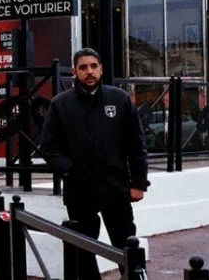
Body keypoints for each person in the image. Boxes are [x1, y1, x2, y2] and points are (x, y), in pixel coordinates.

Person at [40, 48, 150, 279]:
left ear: (101, 69)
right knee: (83, 252)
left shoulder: (119, 99)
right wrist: (70, 172)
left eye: (93, 66)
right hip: (80, 192)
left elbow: (136, 144)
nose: (89, 71)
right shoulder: (60, 104)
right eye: (83, 67)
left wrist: (139, 183)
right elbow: (49, 148)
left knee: (126, 247)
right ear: (74, 72)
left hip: (116, 188)